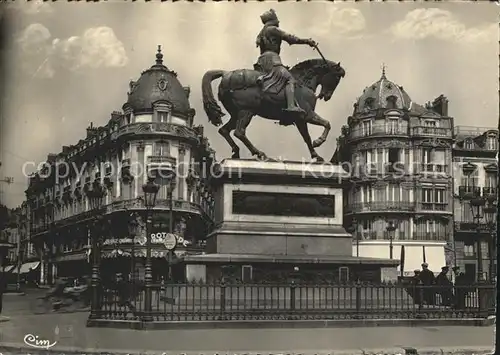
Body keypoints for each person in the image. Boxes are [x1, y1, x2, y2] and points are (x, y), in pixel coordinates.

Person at [255, 9, 317, 116]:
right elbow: (291, 38)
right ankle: (291, 106)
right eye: (276, 19)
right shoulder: (273, 29)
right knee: (290, 79)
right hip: (272, 59)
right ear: (273, 20)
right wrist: (307, 41)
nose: (278, 21)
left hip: (262, 60)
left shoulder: (262, 32)